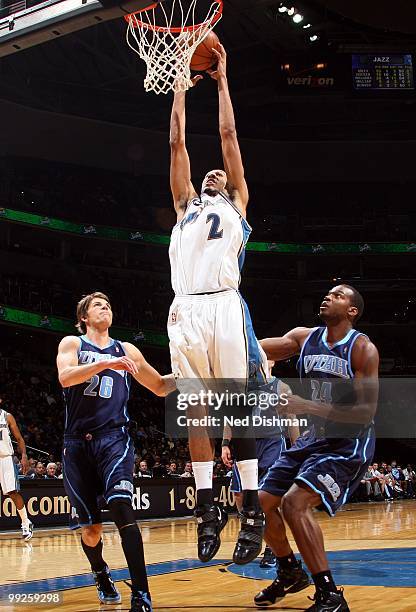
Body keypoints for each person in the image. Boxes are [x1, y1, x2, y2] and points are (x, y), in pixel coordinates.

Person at [168, 42, 267, 565]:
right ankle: (208, 508)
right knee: (196, 415)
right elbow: (177, 140)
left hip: (225, 306)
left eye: (221, 175)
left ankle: (250, 508)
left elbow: (227, 135)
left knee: (240, 412)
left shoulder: (238, 205)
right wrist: (180, 85)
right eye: (209, 175)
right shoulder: (185, 205)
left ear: (231, 186)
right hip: (186, 308)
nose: (213, 173)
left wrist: (223, 80)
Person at [255, 285, 379, 612]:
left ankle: (330, 595)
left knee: (295, 503)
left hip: (347, 441)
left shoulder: (362, 349)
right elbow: (253, 349)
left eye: (337, 295)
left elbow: (365, 412)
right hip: (314, 436)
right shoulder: (302, 338)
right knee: (261, 502)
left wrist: (307, 406)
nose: (327, 296)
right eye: (326, 293)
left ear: (352, 311)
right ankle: (289, 571)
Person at [57, 292, 176, 612]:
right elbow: (65, 377)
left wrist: (191, 372)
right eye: (97, 305)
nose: (105, 307)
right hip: (76, 444)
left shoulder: (127, 350)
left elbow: (160, 386)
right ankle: (101, 572)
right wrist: (106, 362)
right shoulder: (73, 344)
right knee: (91, 530)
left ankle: (142, 594)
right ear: (83, 316)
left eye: (108, 304)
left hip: (114, 439)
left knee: (123, 508)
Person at [222, 373, 300, 569]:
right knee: (240, 495)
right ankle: (250, 534)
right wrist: (225, 443)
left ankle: (272, 548)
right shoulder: (241, 383)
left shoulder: (280, 386)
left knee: (267, 498)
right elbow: (231, 416)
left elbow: (292, 418)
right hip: (245, 441)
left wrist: (297, 448)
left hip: (272, 442)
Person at [0, 398, 34, 540]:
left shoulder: (6, 416)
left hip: (5, 458)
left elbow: (19, 438)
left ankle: (26, 523)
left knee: (12, 492)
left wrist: (24, 455)